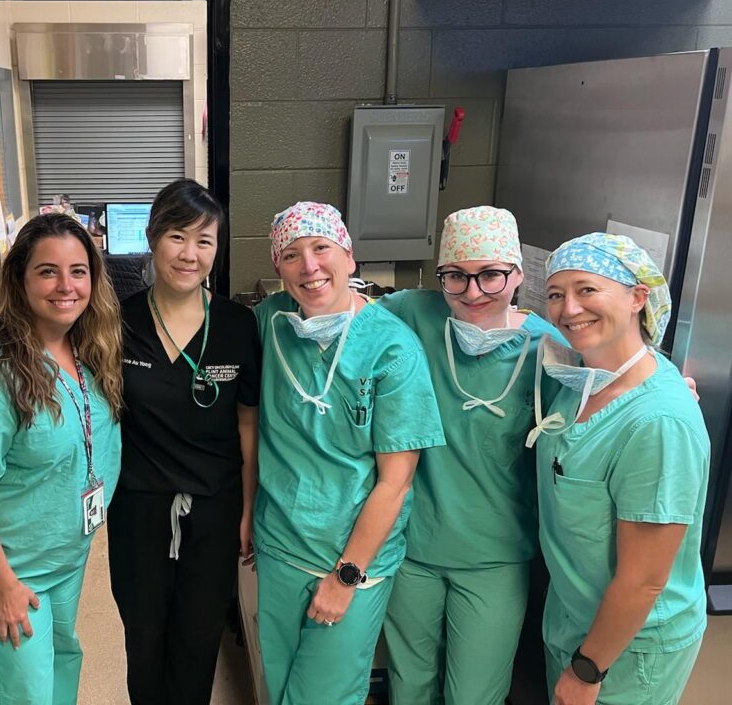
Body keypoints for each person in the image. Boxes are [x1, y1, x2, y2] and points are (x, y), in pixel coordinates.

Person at [253, 201, 445, 705]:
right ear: (278, 268)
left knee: (326, 695)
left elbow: (395, 481)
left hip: (351, 560)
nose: (309, 266)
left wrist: (346, 576)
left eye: (321, 248)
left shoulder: (392, 348)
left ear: (349, 257)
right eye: (291, 255)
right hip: (279, 546)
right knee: (280, 686)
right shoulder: (269, 324)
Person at [380, 206, 564, 704]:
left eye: (491, 275)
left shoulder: (551, 349)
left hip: (495, 555)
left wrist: (667, 380)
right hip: (412, 548)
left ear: (519, 275)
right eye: (456, 276)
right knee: (409, 682)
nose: (473, 292)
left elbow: (615, 371)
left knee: (476, 693)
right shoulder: (414, 314)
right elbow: (345, 317)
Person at [0, 214, 124, 705]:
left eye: (79, 271)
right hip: (8, 572)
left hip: (65, 559)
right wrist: (3, 584)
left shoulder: (91, 348)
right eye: (48, 271)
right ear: (20, 279)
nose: (66, 286)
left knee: (62, 672)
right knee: (23, 693)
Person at [528, 233, 708, 705]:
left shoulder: (658, 421)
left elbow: (643, 579)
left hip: (627, 648)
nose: (569, 309)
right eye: (555, 294)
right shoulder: (580, 381)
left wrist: (588, 670)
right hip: (576, 619)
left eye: (587, 290)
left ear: (637, 297)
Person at [108, 179, 261, 705]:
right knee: (144, 641)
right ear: (152, 238)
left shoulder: (239, 326)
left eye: (205, 240)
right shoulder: (116, 323)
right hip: (138, 511)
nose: (190, 254)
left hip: (215, 510)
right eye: (177, 236)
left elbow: (247, 424)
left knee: (198, 642)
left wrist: (247, 508)